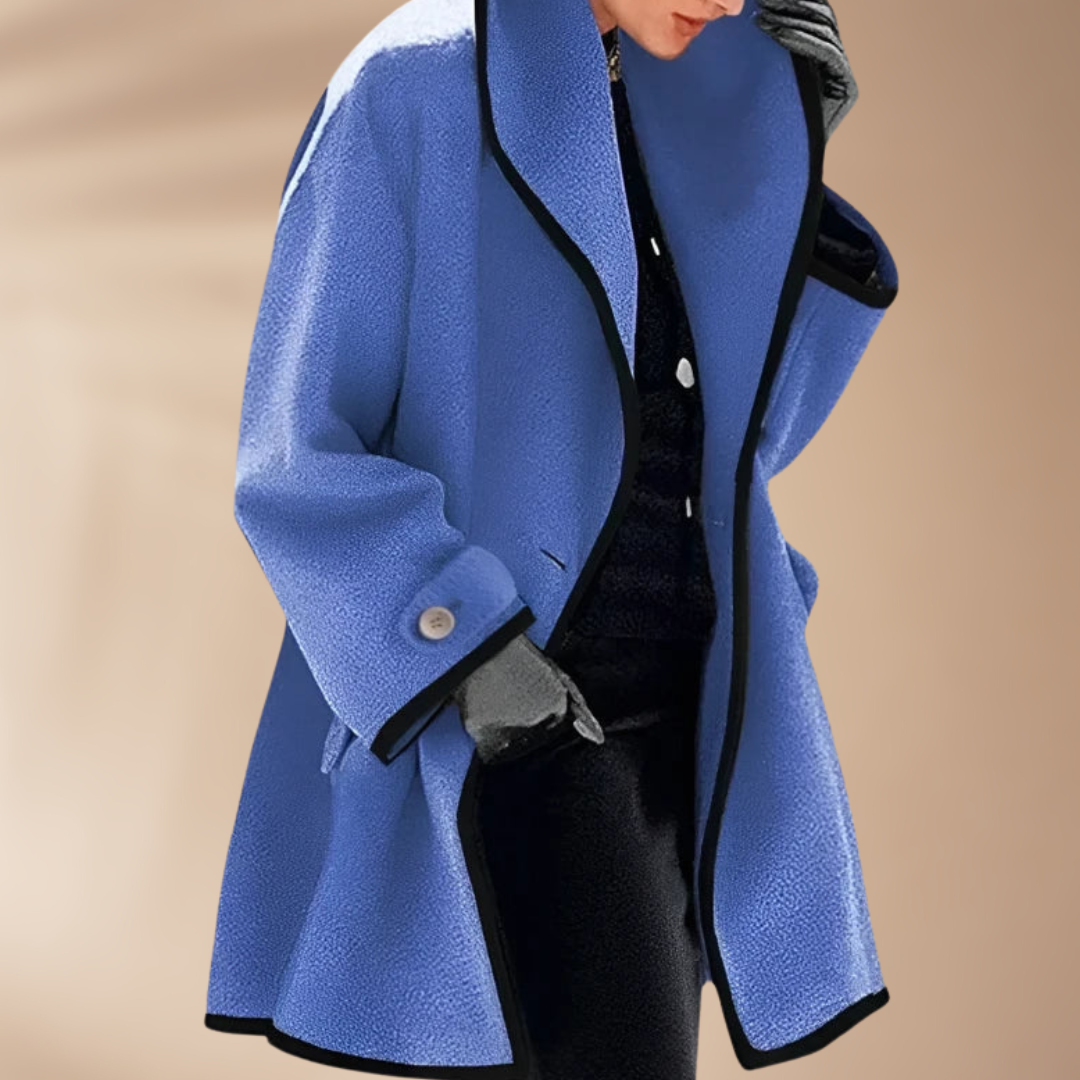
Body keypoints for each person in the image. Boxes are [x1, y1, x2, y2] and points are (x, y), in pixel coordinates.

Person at [205, 0, 898, 1076]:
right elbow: (297, 450)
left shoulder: (678, 98)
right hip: (532, 708)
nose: (729, 0)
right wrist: (475, 660)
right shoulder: (414, 83)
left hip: (689, 707)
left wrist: (782, 179)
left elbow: (733, 446)